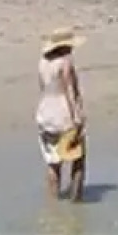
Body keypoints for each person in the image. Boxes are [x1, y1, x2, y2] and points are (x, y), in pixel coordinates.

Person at [36, 27, 87, 202]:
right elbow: (69, 91)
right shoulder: (66, 62)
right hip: (63, 114)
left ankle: (53, 204)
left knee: (53, 162)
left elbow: (43, 87)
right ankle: (76, 201)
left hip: (45, 113)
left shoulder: (43, 62)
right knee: (78, 158)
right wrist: (77, 116)